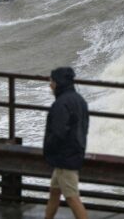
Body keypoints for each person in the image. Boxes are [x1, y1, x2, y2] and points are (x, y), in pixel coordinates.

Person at [44, 67, 89, 219]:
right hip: (74, 152)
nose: (50, 85)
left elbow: (58, 133)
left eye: (51, 81)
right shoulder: (79, 100)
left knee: (72, 198)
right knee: (54, 193)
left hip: (65, 158)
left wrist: (49, 149)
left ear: (58, 83)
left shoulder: (61, 104)